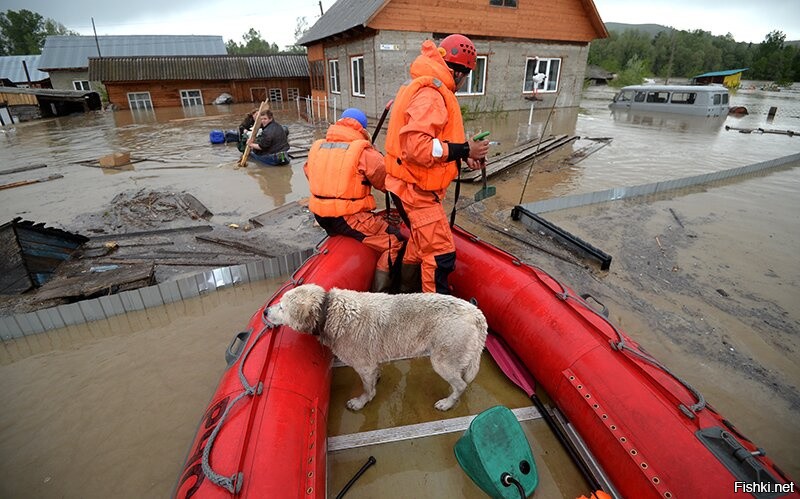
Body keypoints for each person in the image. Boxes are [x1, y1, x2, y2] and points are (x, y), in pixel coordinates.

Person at [383, 34, 490, 294]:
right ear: (460, 73)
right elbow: (416, 147)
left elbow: (433, 141)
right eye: (466, 76)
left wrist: (463, 155)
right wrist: (465, 148)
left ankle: (405, 293)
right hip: (415, 191)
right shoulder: (432, 94)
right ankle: (433, 313)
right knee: (440, 255)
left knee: (419, 245)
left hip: (408, 185)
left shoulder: (428, 86)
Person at [304, 108, 404, 292]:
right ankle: (382, 293)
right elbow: (386, 182)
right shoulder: (364, 153)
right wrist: (376, 154)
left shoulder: (318, 148)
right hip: (348, 218)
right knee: (395, 241)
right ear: (363, 129)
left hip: (321, 216)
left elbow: (310, 173)